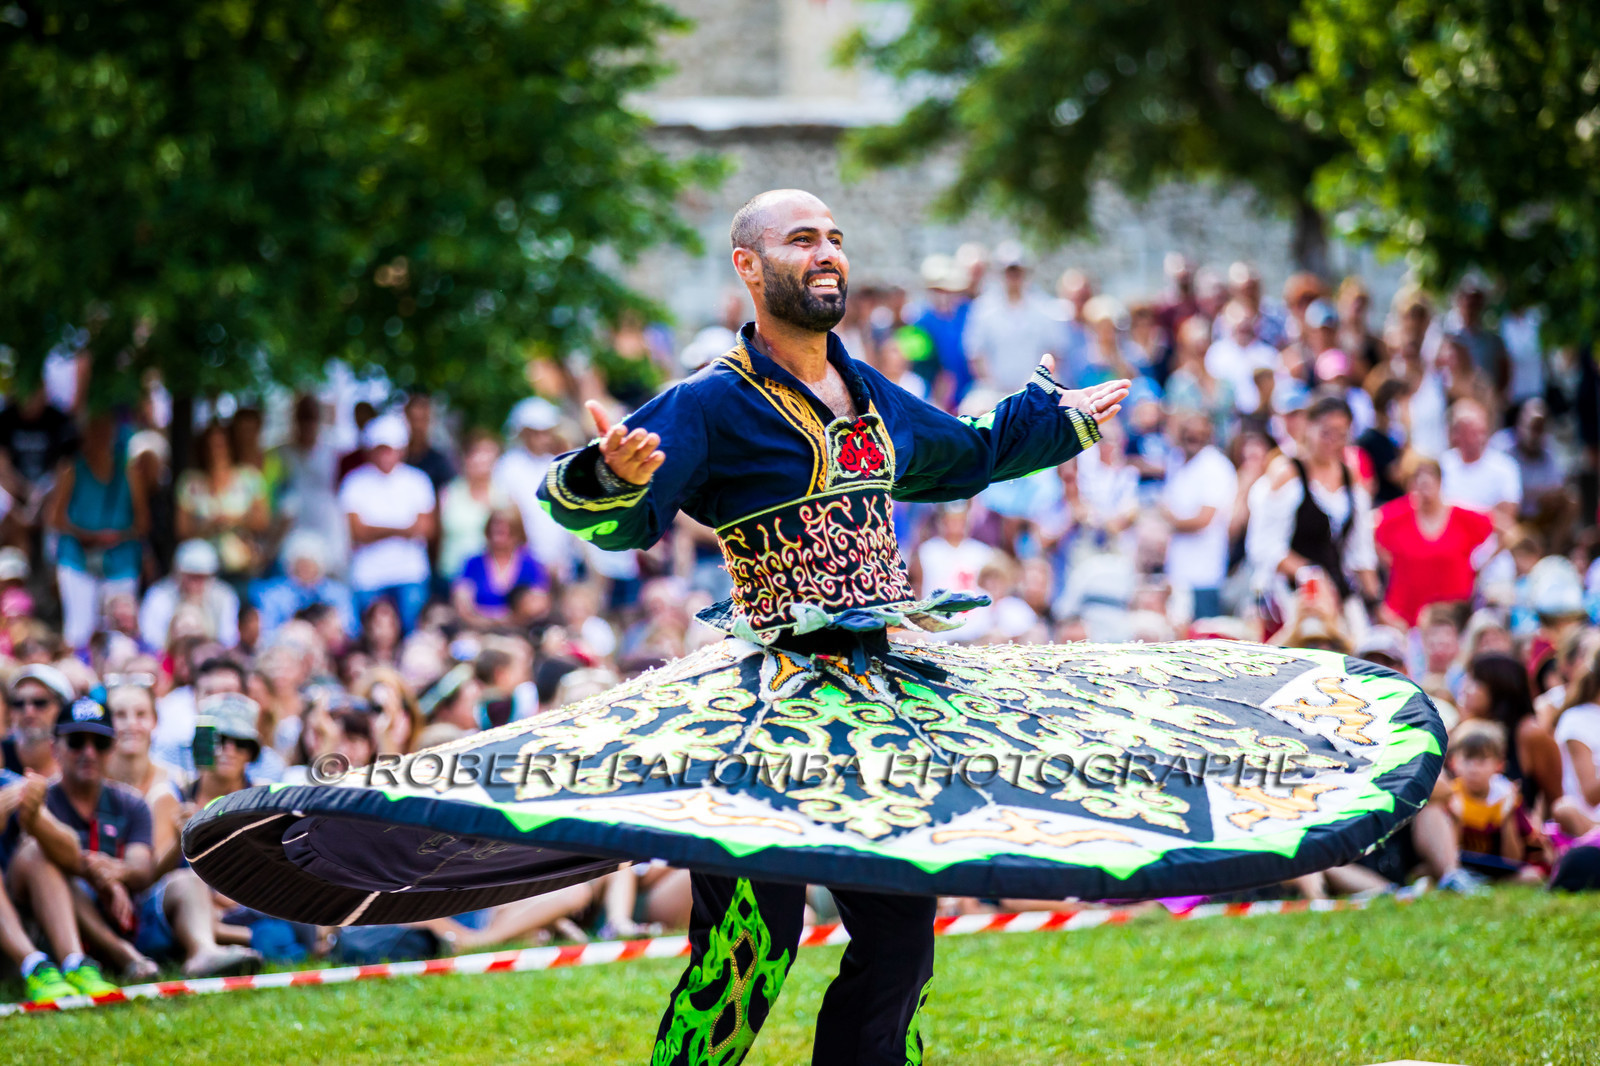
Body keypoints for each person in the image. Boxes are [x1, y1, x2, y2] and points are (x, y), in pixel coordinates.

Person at [1247, 394, 1379, 626]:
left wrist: (1376, 603)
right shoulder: (1287, 473)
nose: (1333, 442)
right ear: (1309, 427)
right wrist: (1310, 574)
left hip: (1337, 591)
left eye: (1341, 435)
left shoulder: (1350, 478)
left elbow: (1360, 551)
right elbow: (1264, 547)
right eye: (1326, 432)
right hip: (1291, 593)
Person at [51, 412, 149, 650]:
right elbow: (55, 518)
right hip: (77, 559)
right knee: (78, 631)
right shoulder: (72, 469)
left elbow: (143, 523)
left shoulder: (129, 472)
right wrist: (87, 535)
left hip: (120, 562)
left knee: (120, 630)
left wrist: (117, 536)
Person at [339, 412, 437, 631]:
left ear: (402, 450)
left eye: (391, 448)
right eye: (380, 448)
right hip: (368, 575)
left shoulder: (418, 480)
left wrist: (377, 530)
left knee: (412, 632)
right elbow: (357, 532)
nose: (386, 455)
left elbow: (425, 528)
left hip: (410, 573)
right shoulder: (354, 482)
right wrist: (403, 529)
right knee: (369, 634)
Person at [1373, 457, 1497, 628]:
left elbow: (1501, 528)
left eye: (1430, 481)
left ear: (1440, 482)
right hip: (1405, 615)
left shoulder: (1462, 516)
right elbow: (1371, 531)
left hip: (1454, 614)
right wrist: (1388, 564)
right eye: (1419, 482)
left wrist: (1479, 568)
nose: (1425, 488)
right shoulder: (1395, 516)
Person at [1159, 411, 1237, 620]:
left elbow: (1204, 519)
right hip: (1176, 571)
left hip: (1205, 574)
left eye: (1199, 433)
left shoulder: (1216, 466)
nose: (1193, 437)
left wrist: (1167, 520)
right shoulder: (1175, 459)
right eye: (1188, 432)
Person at [961, 241, 1063, 394]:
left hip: (1034, 389)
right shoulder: (982, 309)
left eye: (1017, 272)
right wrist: (993, 385)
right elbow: (975, 355)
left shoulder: (1043, 308)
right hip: (992, 389)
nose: (1013, 277)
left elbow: (1054, 351)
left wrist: (1034, 384)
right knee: (974, 409)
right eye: (1008, 272)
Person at [177, 421, 269, 583]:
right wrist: (209, 526)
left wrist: (234, 520)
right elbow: (182, 530)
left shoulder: (249, 477)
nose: (215, 451)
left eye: (220, 445)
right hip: (202, 566)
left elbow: (263, 521)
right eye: (210, 446)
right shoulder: (190, 482)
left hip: (242, 564)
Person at [452, 508, 549, 629]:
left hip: (522, 631)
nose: (499, 537)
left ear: (517, 534)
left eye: (505, 532)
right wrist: (490, 620)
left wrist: (512, 619)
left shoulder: (531, 565)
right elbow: (462, 605)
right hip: (477, 629)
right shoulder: (473, 564)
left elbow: (539, 605)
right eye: (495, 531)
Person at [250, 530, 357, 636]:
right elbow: (266, 631)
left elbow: (351, 630)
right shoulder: (272, 594)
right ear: (290, 566)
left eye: (311, 564)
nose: (305, 569)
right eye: (301, 564)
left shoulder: (339, 594)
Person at [139, 539, 240, 649]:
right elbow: (151, 639)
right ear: (178, 574)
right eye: (191, 577)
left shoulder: (224, 596)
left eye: (202, 577)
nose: (196, 584)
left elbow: (229, 639)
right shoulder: (159, 595)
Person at [437, 429, 511, 580]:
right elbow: (436, 537)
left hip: (490, 581)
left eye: (487, 453)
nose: (481, 459)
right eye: (476, 453)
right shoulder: (448, 493)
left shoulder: (504, 496)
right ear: (465, 457)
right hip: (450, 574)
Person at [1440, 399, 1521, 526]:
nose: (1475, 437)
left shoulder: (1505, 467)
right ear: (1454, 433)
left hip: (1489, 539)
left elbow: (1507, 518)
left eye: (1478, 430)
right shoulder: (1441, 465)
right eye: (1465, 430)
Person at [3, 664, 75, 778]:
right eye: (19, 703)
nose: (28, 712)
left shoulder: (78, 757)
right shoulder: (2, 755)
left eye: (40, 703)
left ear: (62, 708)